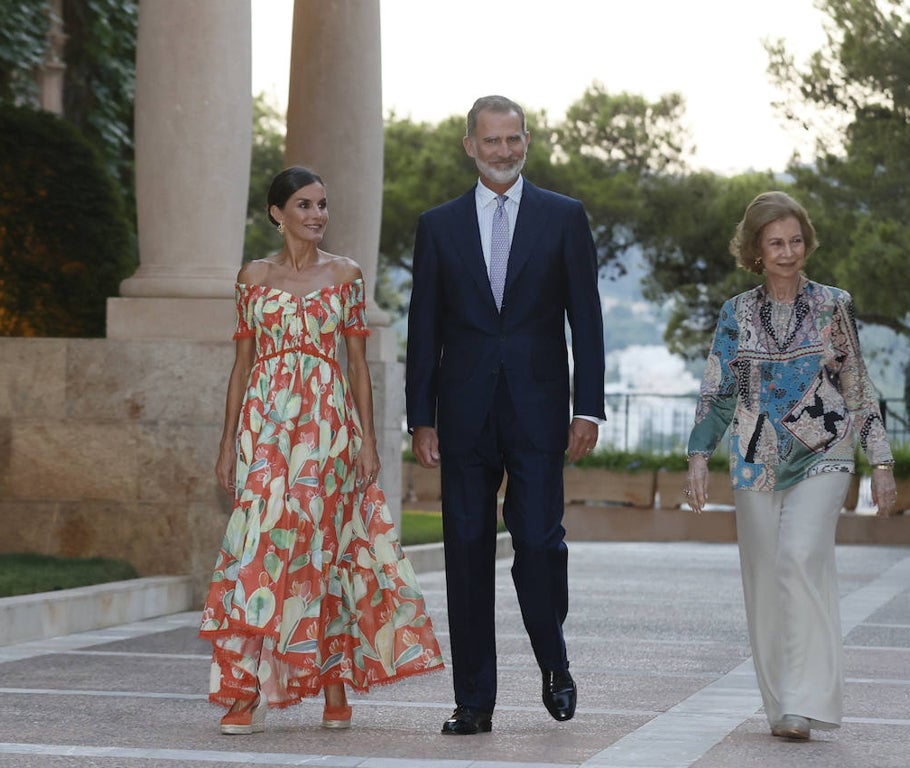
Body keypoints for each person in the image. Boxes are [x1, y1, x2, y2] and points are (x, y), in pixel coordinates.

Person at [200, 166, 444, 735]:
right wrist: (228, 442)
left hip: (328, 430)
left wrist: (365, 441)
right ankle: (245, 688)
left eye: (322, 205)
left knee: (323, 548)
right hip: (264, 428)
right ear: (276, 213)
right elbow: (240, 368)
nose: (317, 215)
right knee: (259, 550)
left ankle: (333, 684)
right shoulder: (251, 277)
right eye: (304, 205)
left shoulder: (347, 275)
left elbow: (358, 367)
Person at [405, 95, 606, 735]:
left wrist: (589, 407)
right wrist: (421, 416)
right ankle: (475, 702)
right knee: (466, 551)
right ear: (470, 144)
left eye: (513, 139)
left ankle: (555, 661)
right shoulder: (437, 226)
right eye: (491, 140)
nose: (503, 151)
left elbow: (588, 320)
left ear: (526, 141)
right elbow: (423, 328)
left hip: (540, 408)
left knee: (541, 544)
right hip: (462, 413)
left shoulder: (564, 216)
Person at [684, 191, 896, 741]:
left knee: (799, 558)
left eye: (796, 240)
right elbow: (719, 392)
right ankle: (782, 704)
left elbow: (856, 386)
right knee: (765, 574)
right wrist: (699, 455)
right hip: (757, 457)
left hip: (825, 449)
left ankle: (805, 701)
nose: (787, 251)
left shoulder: (833, 305)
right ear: (756, 249)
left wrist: (881, 460)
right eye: (775, 242)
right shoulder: (737, 313)